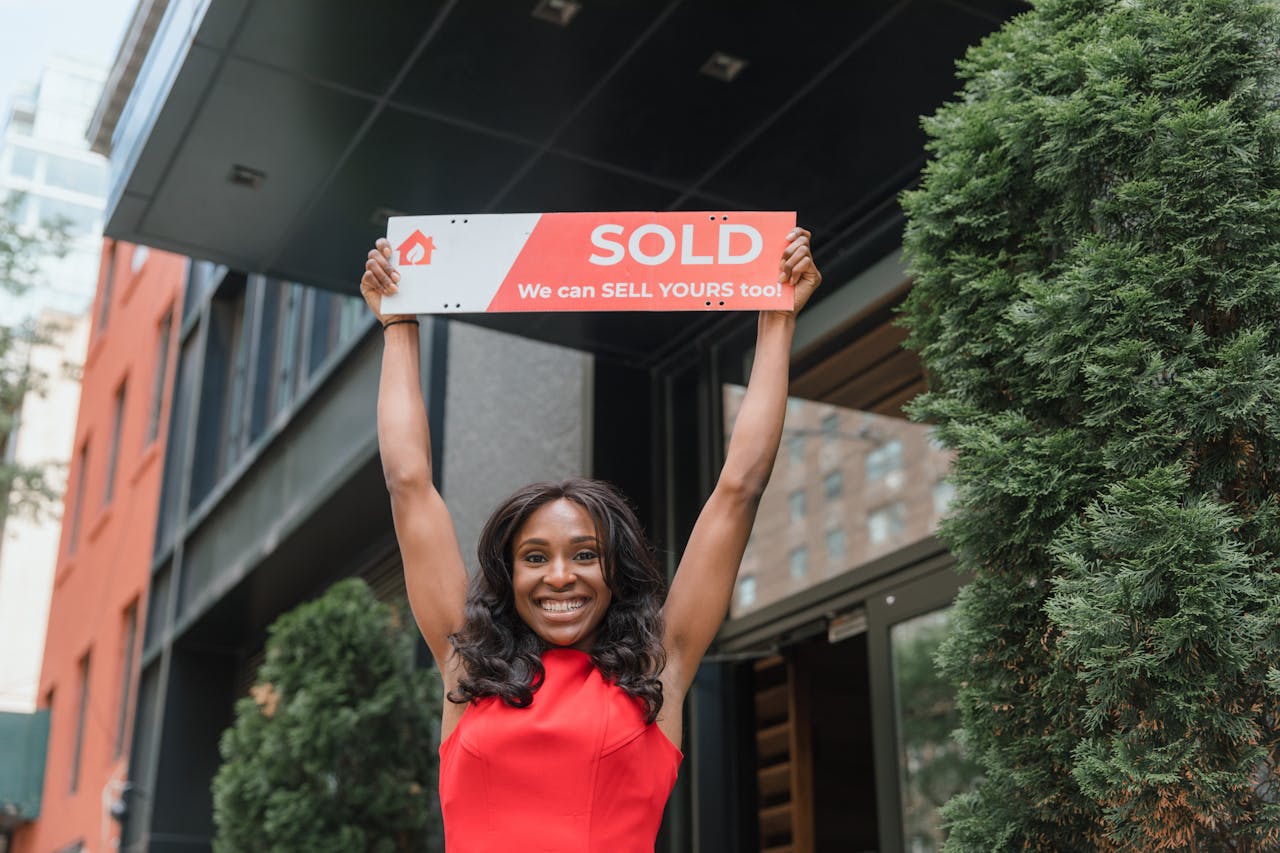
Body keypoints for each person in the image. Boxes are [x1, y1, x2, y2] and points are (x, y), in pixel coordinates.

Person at [360, 227, 821, 852]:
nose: (558, 576)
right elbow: (408, 483)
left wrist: (776, 323)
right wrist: (398, 327)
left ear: (615, 571)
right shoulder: (467, 666)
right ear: (509, 575)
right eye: (534, 558)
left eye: (584, 555)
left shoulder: (661, 666)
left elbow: (739, 488)